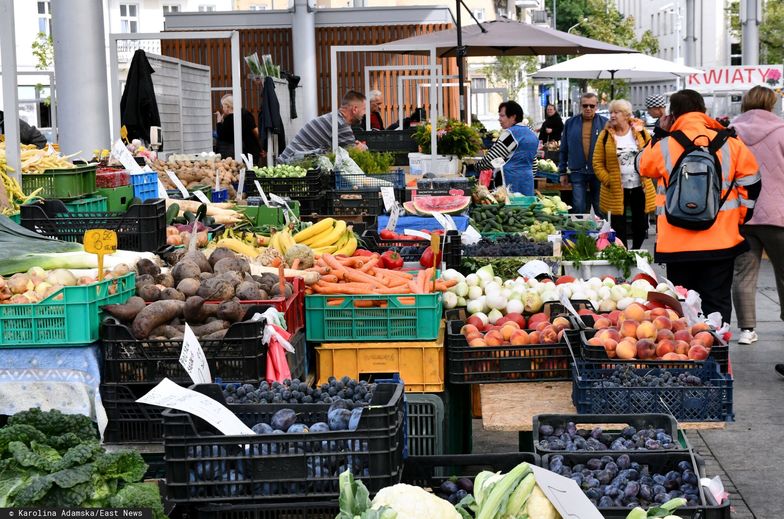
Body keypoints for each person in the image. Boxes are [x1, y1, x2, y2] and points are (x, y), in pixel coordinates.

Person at [637, 89, 761, 325]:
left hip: (676, 245)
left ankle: (689, 358)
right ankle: (718, 356)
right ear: (704, 111)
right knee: (717, 305)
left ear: (672, 115)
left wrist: (660, 133)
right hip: (721, 241)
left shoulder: (665, 145)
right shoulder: (730, 142)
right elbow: (752, 181)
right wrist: (739, 217)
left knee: (683, 308)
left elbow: (641, 166)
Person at [727, 86, 784, 347]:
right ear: (771, 103)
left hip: (742, 213)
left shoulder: (731, 133)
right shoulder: (782, 131)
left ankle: (747, 329)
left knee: (744, 273)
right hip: (778, 214)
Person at [593, 99, 656, 249]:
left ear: (626, 115)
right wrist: (609, 180)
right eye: (611, 112)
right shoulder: (605, 136)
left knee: (640, 225)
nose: (612, 115)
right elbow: (597, 163)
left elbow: (652, 154)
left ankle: (636, 251)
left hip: (640, 186)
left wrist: (648, 172)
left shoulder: (641, 133)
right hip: (615, 188)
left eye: (616, 112)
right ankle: (624, 253)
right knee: (618, 226)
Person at [278, 90, 368, 163]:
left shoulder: (335, 118)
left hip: (289, 162)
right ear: (355, 109)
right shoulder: (340, 124)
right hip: (290, 166)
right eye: (364, 109)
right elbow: (351, 157)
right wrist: (363, 148)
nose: (365, 113)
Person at [474, 101, 539, 195]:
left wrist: (476, 166)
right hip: (527, 183)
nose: (499, 119)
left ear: (513, 117)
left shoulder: (511, 134)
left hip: (509, 184)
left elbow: (491, 158)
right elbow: (534, 163)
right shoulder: (532, 134)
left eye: (502, 116)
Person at [559, 93, 608, 215]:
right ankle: (580, 232)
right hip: (577, 171)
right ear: (580, 106)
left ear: (596, 106)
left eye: (592, 106)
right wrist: (562, 171)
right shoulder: (570, 123)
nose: (588, 108)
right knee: (578, 206)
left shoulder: (605, 124)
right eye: (585, 105)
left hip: (598, 171)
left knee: (600, 207)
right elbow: (564, 148)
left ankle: (602, 233)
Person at [215, 94, 262, 164]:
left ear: (228, 106)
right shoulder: (245, 113)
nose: (222, 108)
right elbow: (255, 131)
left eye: (223, 106)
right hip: (252, 150)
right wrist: (261, 147)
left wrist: (219, 121)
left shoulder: (229, 119)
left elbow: (221, 135)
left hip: (239, 153)